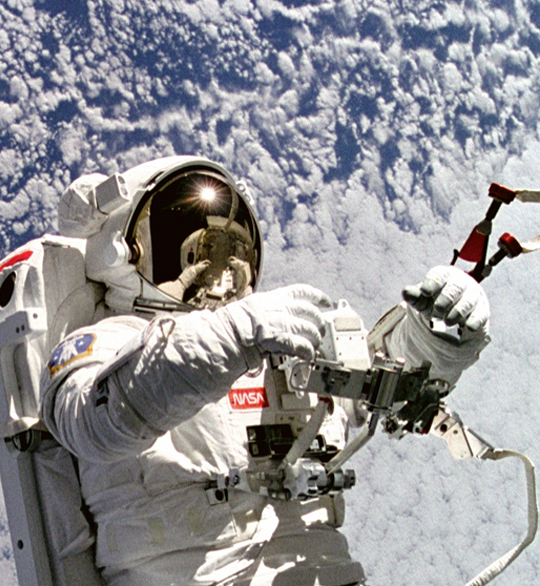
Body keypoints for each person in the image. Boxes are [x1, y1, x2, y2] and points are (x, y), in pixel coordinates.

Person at [40, 157, 490, 586]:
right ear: (123, 248)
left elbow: (370, 388)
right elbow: (91, 421)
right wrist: (235, 334)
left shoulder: (271, 352)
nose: (221, 270)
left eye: (234, 251)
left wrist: (433, 340)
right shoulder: (108, 339)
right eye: (202, 247)